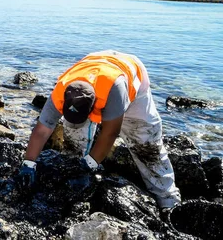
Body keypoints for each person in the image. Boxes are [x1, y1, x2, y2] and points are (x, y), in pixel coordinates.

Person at [18, 50, 181, 212]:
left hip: (128, 74)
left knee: (145, 144)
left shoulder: (115, 90)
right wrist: (28, 164)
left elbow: (111, 133)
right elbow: (41, 130)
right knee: (74, 137)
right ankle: (76, 169)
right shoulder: (61, 90)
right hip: (96, 63)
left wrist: (90, 165)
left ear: (94, 106)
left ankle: (168, 200)